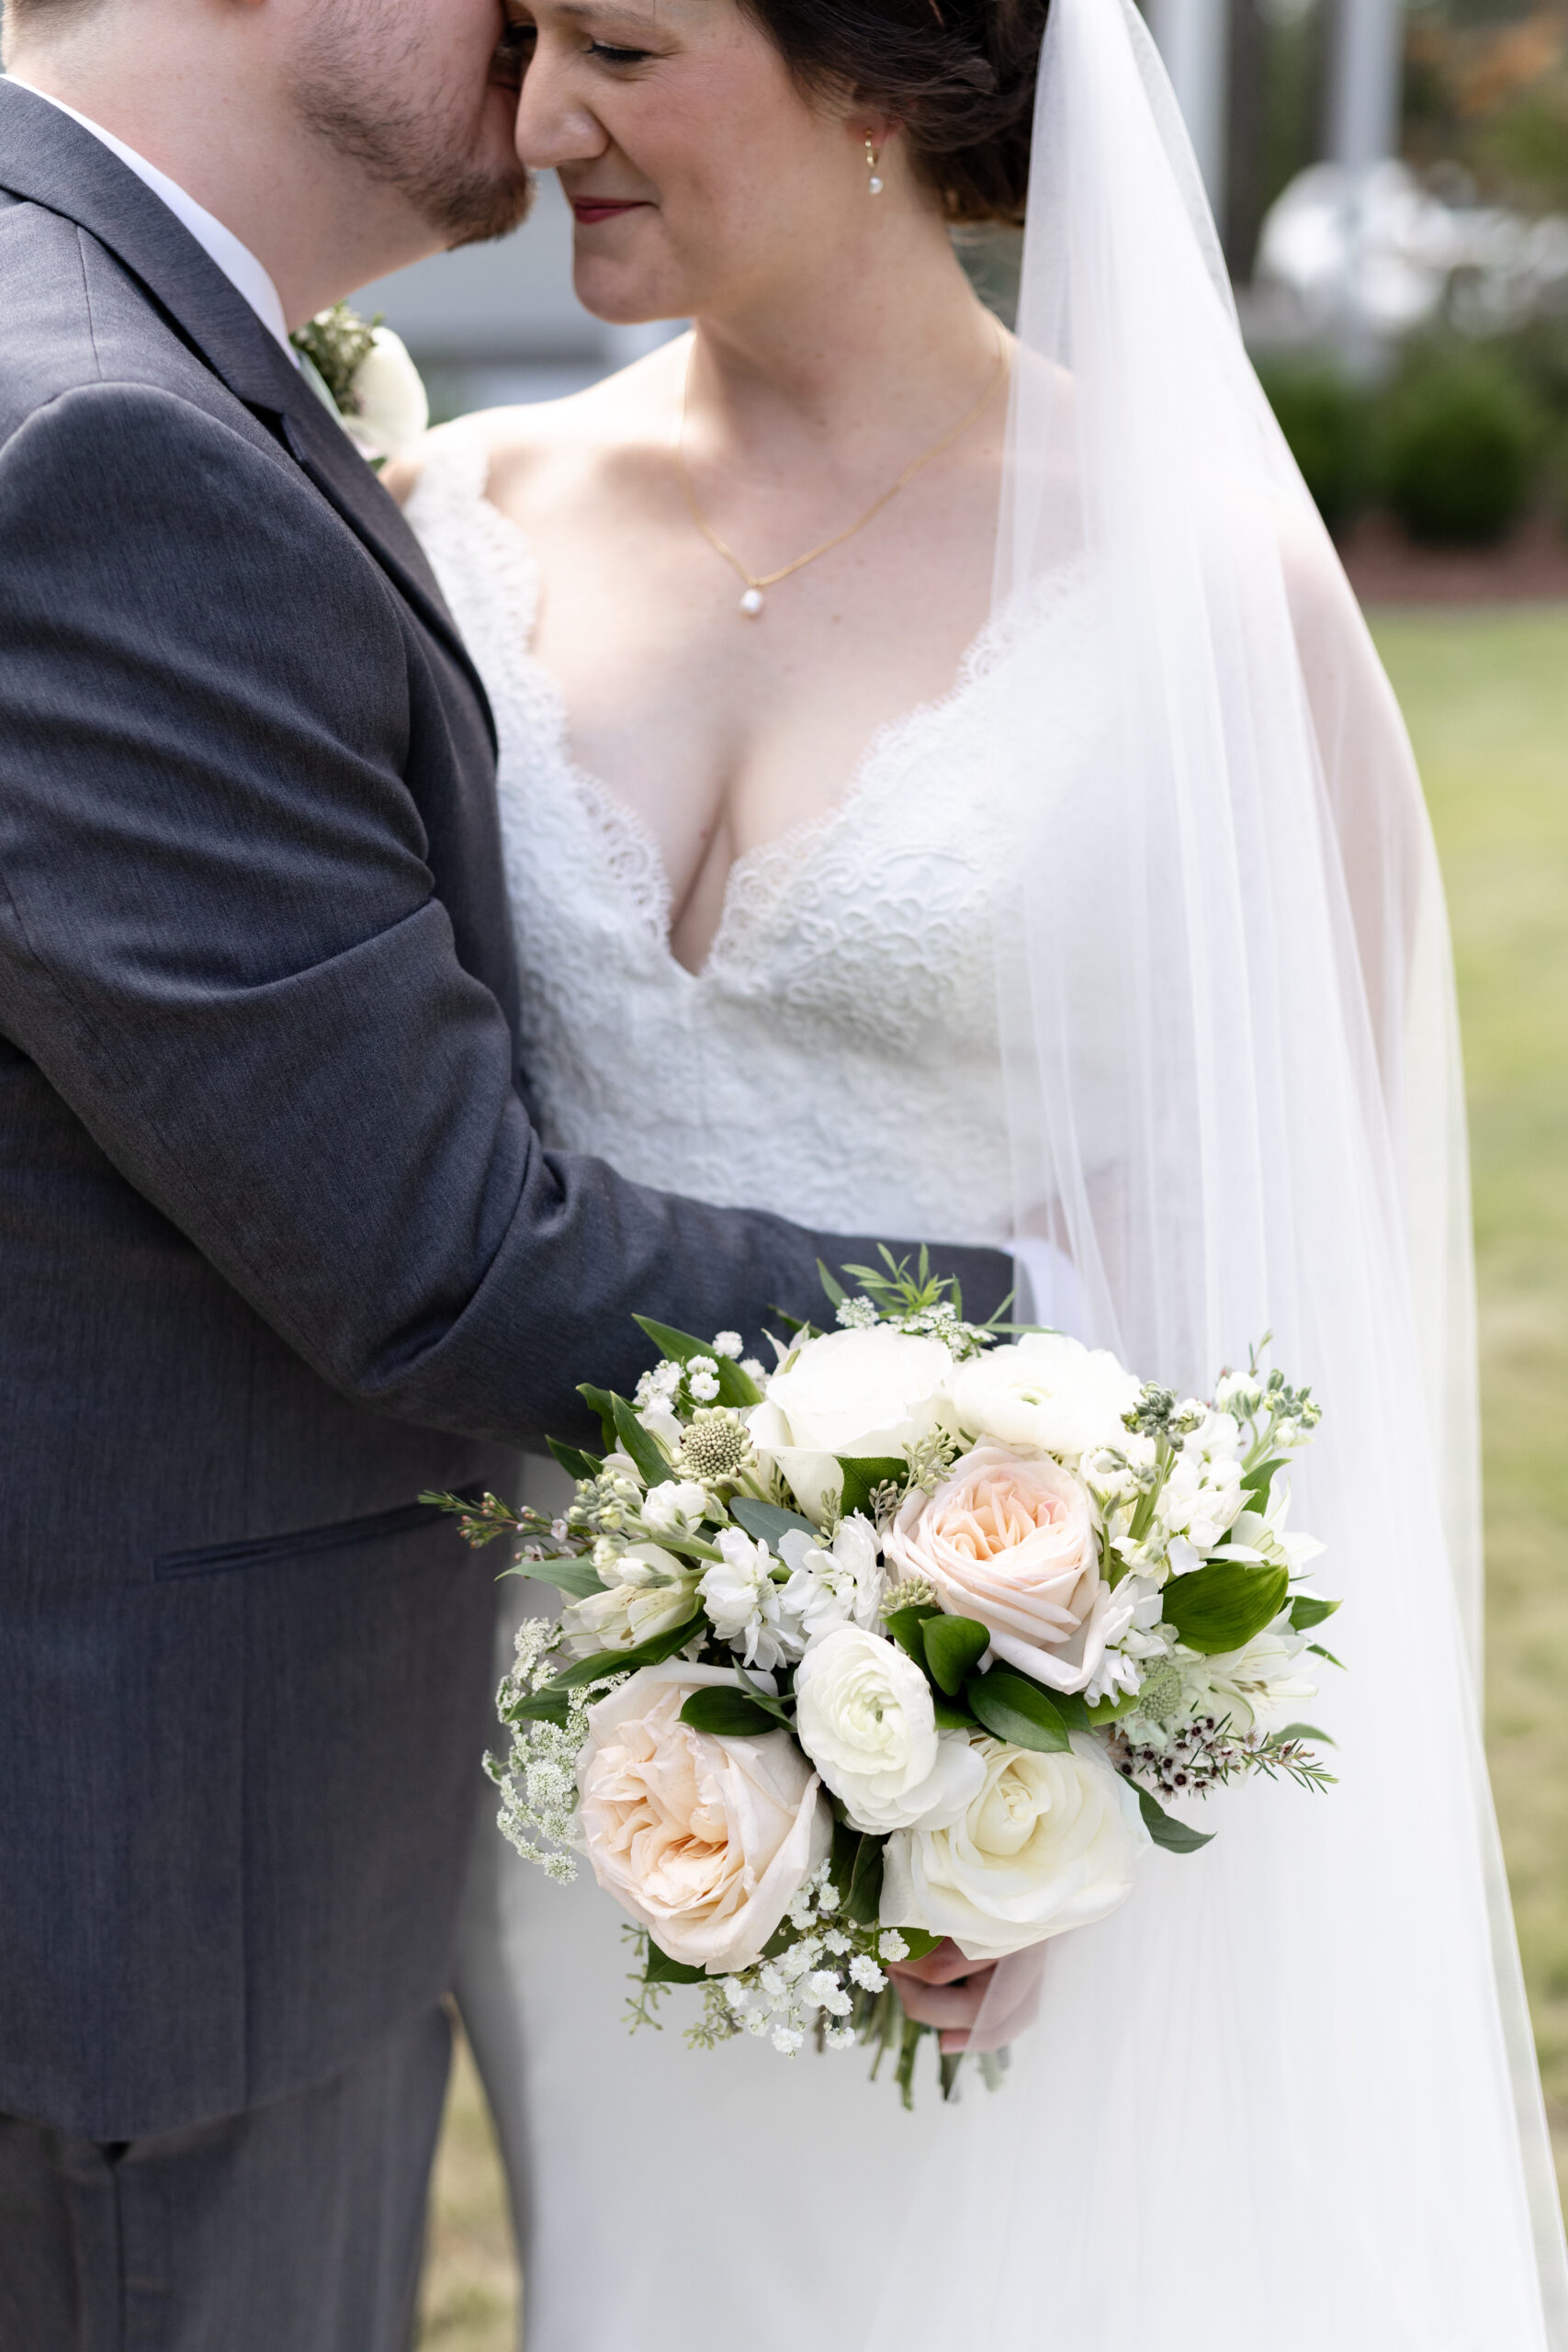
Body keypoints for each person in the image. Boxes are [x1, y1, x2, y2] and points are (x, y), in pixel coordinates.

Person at [389, 0, 1568, 2345]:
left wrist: (1046, 1779)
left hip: (1010, 1780)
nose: (534, 121)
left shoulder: (1202, 589)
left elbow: (1283, 1283)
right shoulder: (452, 522)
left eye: (618, 43)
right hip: (560, 1766)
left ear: (877, 75)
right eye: (523, 35)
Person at [0, 1, 1014, 2342]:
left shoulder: (158, 364)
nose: (541, 81)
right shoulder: (102, 433)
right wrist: (1042, 1344)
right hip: (138, 1892)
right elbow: (435, 1246)